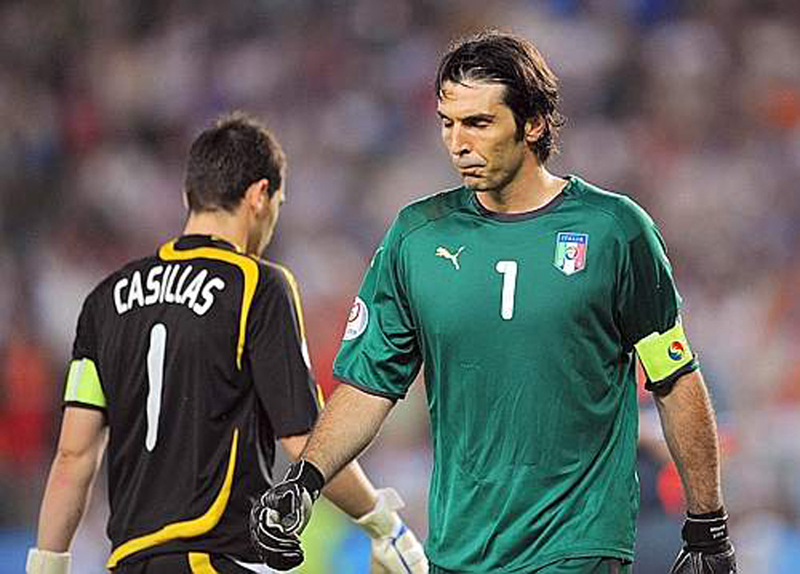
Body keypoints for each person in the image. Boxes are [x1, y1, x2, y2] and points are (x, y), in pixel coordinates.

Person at [251, 32, 737, 574]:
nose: (458, 143)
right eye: (447, 122)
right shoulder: (417, 237)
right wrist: (305, 479)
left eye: (479, 123)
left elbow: (674, 376)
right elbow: (369, 386)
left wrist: (707, 525)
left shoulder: (614, 231)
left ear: (532, 123)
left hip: (575, 546)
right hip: (460, 550)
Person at [27, 113, 428, 574]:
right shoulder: (257, 284)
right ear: (261, 196)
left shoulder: (103, 301)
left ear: (188, 196)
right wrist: (382, 522)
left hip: (127, 563)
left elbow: (73, 455)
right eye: (278, 203)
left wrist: (47, 564)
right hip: (216, 556)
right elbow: (304, 440)